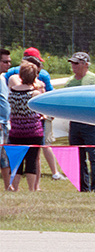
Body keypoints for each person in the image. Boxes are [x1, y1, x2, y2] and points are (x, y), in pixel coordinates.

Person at [65, 52, 95, 193]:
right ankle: (83, 187)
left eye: (76, 63)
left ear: (86, 65)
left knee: (94, 156)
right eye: (72, 63)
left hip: (90, 123)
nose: (73, 66)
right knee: (77, 157)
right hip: (74, 123)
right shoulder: (70, 82)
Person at [6, 60, 45, 191]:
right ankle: (32, 188)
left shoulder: (11, 93)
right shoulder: (35, 94)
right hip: (33, 131)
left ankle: (14, 187)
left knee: (17, 161)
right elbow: (41, 112)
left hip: (16, 131)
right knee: (32, 160)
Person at [0, 49, 10, 183]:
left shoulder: (2, 78)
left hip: (5, 123)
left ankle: (9, 186)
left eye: (9, 62)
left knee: (5, 156)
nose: (8, 64)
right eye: (5, 61)